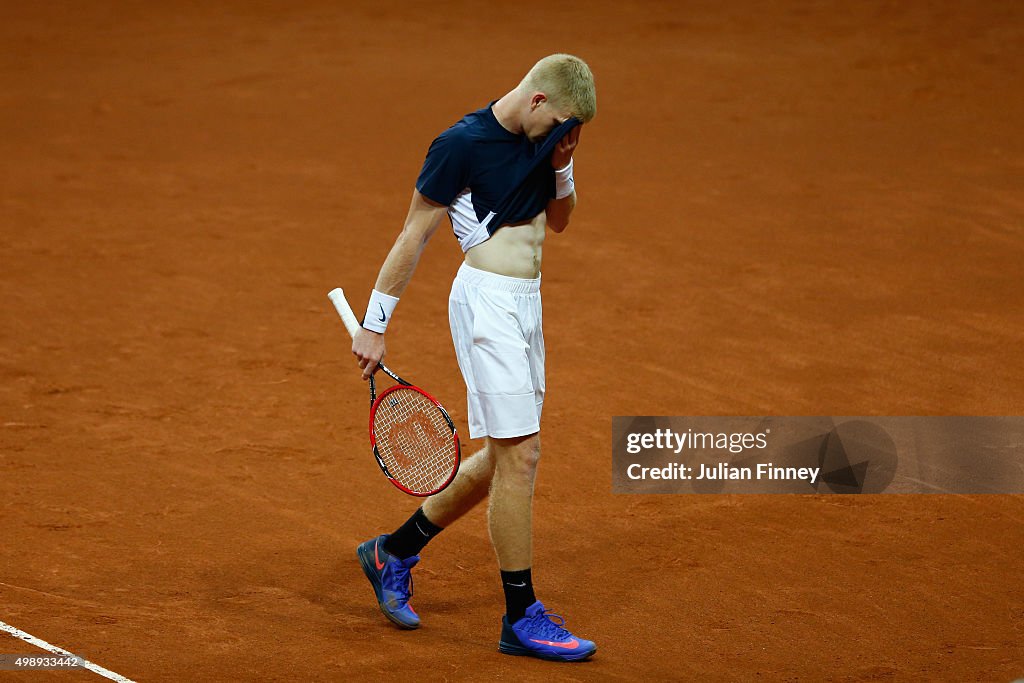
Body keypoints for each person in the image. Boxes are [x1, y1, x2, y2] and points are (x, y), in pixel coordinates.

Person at [351, 54, 597, 662]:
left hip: (527, 304)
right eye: (565, 124)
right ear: (537, 100)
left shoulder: (552, 137)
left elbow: (559, 224)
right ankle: (521, 616)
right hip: (485, 304)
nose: (569, 136)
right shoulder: (460, 144)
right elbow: (414, 233)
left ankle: (393, 551)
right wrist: (374, 325)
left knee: (501, 458)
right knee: (523, 455)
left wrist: (564, 168)